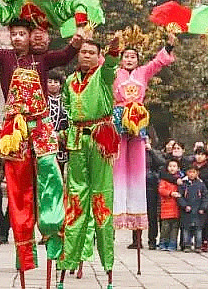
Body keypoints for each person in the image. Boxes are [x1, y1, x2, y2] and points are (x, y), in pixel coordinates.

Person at [0, 19, 82, 273]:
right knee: (19, 193)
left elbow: (66, 55)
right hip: (15, 132)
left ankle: (54, 235)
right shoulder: (4, 58)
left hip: (40, 128)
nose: (18, 38)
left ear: (30, 37)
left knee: (51, 178)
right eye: (14, 34)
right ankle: (25, 256)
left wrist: (77, 39)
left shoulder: (42, 59)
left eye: (22, 34)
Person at [58, 36, 120, 288]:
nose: (86, 55)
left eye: (91, 52)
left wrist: (114, 51)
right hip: (76, 141)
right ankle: (69, 259)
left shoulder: (103, 76)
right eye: (83, 51)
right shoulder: (70, 81)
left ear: (98, 56)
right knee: (75, 200)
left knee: (101, 198)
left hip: (99, 140)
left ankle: (107, 262)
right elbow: (66, 105)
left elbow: (111, 66)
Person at [112, 31, 176, 249]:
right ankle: (117, 208)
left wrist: (169, 45)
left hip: (138, 117)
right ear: (121, 59)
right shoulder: (115, 72)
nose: (129, 59)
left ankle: (137, 217)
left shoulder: (143, 72)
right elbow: (101, 62)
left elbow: (158, 62)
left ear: (138, 60)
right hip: (120, 116)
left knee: (137, 164)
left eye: (133, 56)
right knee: (118, 163)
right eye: (126, 56)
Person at [177, 164, 208, 253]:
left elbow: (205, 197)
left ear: (197, 173)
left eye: (193, 172)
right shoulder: (183, 184)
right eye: (189, 172)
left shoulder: (201, 184)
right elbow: (180, 197)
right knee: (186, 229)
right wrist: (184, 206)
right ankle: (187, 245)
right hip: (187, 211)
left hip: (198, 211)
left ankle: (198, 246)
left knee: (198, 230)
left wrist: (203, 207)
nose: (191, 174)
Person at [145, 135, 166, 250]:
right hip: (139, 183)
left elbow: (162, 163)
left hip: (152, 185)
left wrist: (151, 151)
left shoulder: (155, 152)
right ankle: (136, 240)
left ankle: (152, 240)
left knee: (152, 214)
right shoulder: (136, 152)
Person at [45, 70, 69, 172]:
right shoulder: (43, 100)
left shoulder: (66, 100)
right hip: (45, 139)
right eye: (49, 82)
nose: (52, 84)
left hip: (61, 139)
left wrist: (62, 135)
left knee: (60, 169)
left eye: (56, 82)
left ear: (60, 85)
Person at [157, 159, 182, 251]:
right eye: (170, 166)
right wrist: (170, 193)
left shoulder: (180, 179)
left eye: (174, 166)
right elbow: (161, 190)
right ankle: (163, 243)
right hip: (166, 207)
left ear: (178, 168)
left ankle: (173, 244)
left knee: (175, 228)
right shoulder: (164, 180)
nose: (172, 168)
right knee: (165, 228)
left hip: (176, 208)